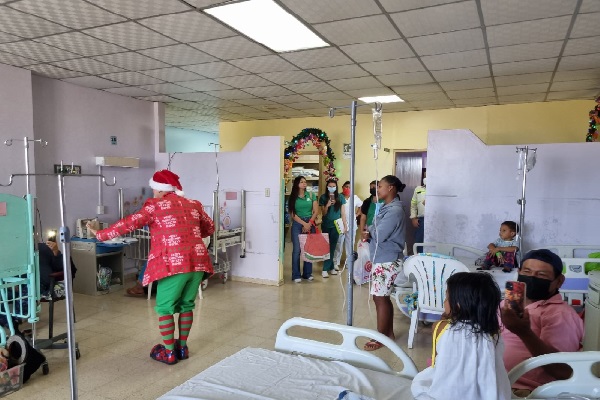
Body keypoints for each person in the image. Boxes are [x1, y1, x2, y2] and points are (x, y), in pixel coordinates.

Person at [87, 169, 214, 365]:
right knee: (186, 305)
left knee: (165, 308)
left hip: (174, 264)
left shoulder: (155, 206)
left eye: (154, 190)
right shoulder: (193, 204)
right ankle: (182, 347)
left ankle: (169, 352)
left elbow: (128, 224)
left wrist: (100, 235)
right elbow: (209, 228)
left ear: (162, 190)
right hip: (198, 261)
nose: (153, 193)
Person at [411, 272, 511, 400]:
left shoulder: (440, 327)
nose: (444, 302)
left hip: (448, 394)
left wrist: (445, 319)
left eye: (447, 298)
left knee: (420, 383)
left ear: (458, 304)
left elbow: (436, 364)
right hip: (489, 394)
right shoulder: (494, 332)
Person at [500, 249, 584, 395]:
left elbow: (563, 370)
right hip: (494, 380)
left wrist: (524, 332)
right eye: (527, 271)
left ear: (559, 281)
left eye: (541, 275)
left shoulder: (560, 314)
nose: (532, 278)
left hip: (526, 390)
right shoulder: (507, 304)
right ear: (518, 272)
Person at [360, 175, 406, 350]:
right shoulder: (387, 208)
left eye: (380, 187)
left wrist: (370, 232)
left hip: (387, 259)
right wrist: (369, 231)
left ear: (391, 188)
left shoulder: (394, 211)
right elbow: (373, 227)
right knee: (382, 297)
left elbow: (380, 234)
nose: (377, 190)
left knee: (379, 298)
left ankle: (380, 338)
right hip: (382, 257)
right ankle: (389, 334)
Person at [288, 176, 318, 283]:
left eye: (305, 182)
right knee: (297, 250)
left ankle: (307, 273)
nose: (304, 184)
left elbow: (315, 211)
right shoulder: (293, 197)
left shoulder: (311, 195)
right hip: (297, 224)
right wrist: (303, 224)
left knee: (308, 249)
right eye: (301, 182)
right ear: (297, 184)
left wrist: (309, 223)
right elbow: (292, 214)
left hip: (310, 223)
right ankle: (296, 274)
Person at [319, 179, 347, 278]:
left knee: (333, 246)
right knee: (326, 247)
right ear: (327, 187)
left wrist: (345, 225)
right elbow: (323, 213)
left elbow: (343, 213)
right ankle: (327, 268)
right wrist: (327, 205)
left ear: (336, 187)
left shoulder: (341, 197)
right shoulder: (323, 197)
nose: (332, 188)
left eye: (333, 186)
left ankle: (328, 268)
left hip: (336, 225)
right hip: (326, 224)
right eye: (330, 186)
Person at [333, 181, 363, 271]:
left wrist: (357, 214)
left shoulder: (355, 197)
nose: (348, 189)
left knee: (350, 244)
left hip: (352, 224)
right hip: (340, 223)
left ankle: (348, 263)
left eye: (350, 187)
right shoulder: (338, 197)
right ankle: (336, 263)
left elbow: (362, 206)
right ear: (342, 187)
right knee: (338, 243)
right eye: (346, 186)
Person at [410, 170, 426, 254]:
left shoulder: (437, 189)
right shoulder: (418, 189)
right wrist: (413, 218)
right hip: (421, 219)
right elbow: (413, 205)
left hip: (435, 220)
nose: (426, 178)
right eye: (425, 176)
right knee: (419, 241)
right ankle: (418, 259)